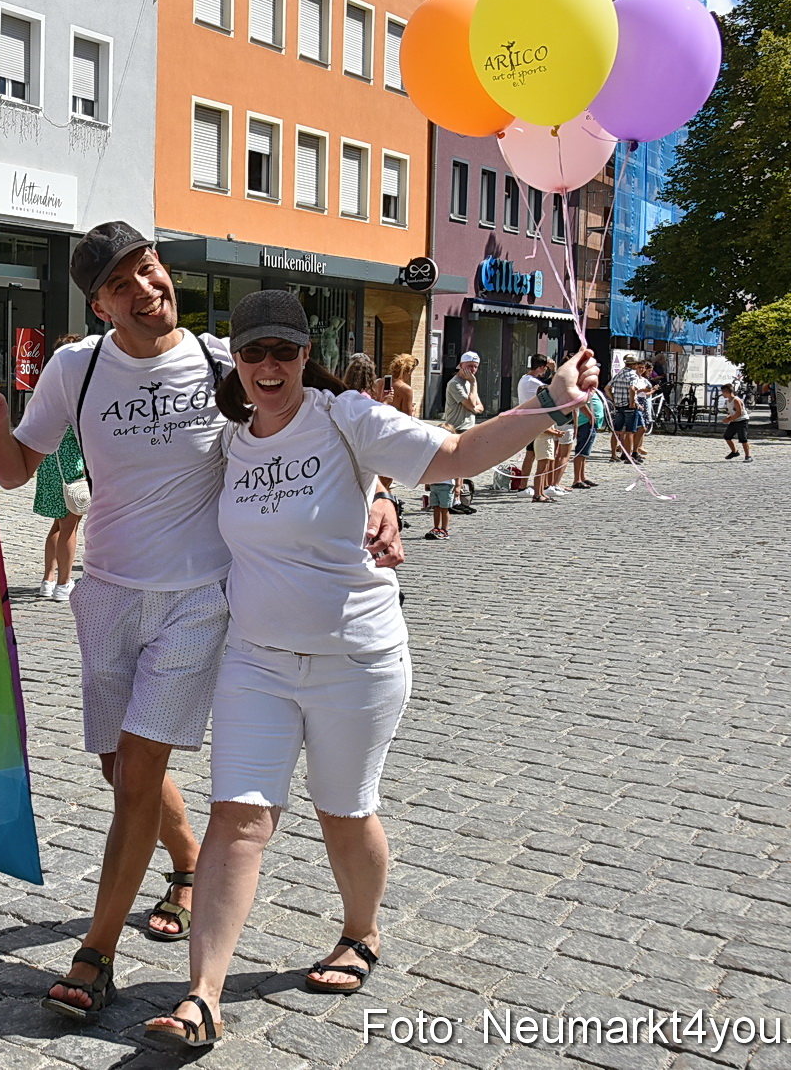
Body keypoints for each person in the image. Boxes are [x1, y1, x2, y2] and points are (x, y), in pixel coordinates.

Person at [144, 292, 599, 1049]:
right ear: (238, 360)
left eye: (282, 352)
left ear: (304, 355)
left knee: (343, 811)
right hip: (255, 660)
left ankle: (360, 931)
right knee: (240, 816)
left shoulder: (344, 415)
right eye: (252, 353)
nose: (268, 367)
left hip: (355, 658)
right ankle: (203, 997)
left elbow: (451, 455)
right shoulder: (230, 439)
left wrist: (551, 402)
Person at [0, 223, 402, 1023]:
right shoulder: (79, 367)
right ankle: (183, 861)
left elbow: (320, 423)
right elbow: (14, 470)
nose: (146, 290)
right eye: (122, 284)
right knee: (119, 766)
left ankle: (96, 952)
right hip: (105, 592)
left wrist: (378, 494)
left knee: (138, 771)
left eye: (149, 270)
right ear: (101, 304)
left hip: (200, 598)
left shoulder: (220, 361)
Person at [32, 336, 85, 602]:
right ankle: (64, 583)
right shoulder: (78, 390)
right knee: (69, 526)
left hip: (51, 463)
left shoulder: (47, 388)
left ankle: (47, 579)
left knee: (57, 523)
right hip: (73, 465)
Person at [516, 356, 564, 502]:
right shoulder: (533, 382)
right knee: (538, 458)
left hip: (528, 421)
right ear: (541, 367)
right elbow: (555, 391)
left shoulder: (525, 379)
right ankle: (534, 489)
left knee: (530, 455)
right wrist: (554, 370)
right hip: (534, 423)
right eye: (545, 368)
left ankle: (525, 486)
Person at [439, 353, 482, 515]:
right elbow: (472, 404)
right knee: (456, 465)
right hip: (456, 428)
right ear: (461, 365)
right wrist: (473, 383)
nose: (472, 370)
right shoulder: (455, 384)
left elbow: (480, 406)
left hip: (469, 427)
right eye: (469, 366)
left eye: (475, 367)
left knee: (463, 466)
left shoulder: (470, 384)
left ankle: (457, 498)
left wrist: (473, 401)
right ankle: (453, 498)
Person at [570, 387, 606, 489]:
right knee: (581, 451)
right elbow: (581, 403)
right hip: (586, 422)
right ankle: (577, 479)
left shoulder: (589, 389)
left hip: (590, 423)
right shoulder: (582, 389)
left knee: (585, 453)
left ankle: (582, 476)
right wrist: (590, 416)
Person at [607, 357, 641, 462]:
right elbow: (632, 388)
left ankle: (613, 455)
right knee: (630, 432)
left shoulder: (619, 374)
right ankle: (627, 456)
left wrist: (613, 400)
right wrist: (632, 403)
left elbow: (607, 388)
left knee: (616, 431)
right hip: (629, 406)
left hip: (619, 406)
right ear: (634, 365)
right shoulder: (632, 375)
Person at [723, 383, 753, 461]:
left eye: (723, 392)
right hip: (734, 420)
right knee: (727, 436)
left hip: (742, 420)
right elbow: (732, 412)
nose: (722, 394)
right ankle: (734, 452)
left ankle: (748, 456)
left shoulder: (736, 400)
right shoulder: (728, 401)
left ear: (727, 392)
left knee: (743, 438)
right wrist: (728, 418)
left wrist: (729, 419)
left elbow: (739, 412)